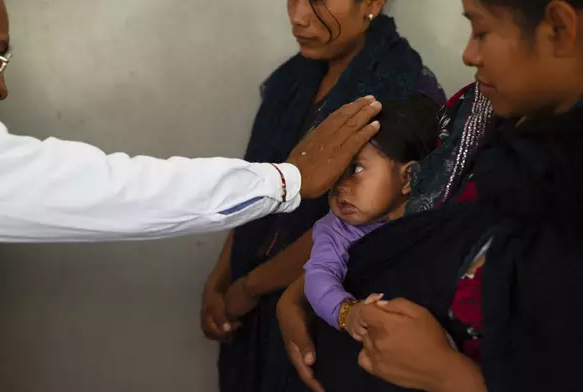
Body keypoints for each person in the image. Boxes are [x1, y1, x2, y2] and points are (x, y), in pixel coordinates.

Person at [0, 0, 383, 390]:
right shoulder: (291, 83)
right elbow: (104, 189)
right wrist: (282, 188)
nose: (2, 87)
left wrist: (259, 286)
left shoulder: (395, 88)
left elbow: (364, 222)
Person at [283, 0, 583, 391]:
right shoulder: (473, 112)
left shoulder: (559, 180)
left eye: (482, 31)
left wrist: (452, 377)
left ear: (559, 29)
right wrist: (303, 294)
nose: (468, 53)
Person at [202, 1, 446, 391]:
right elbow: (261, 183)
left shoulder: (401, 94)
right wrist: (219, 280)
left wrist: (248, 288)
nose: (298, 16)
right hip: (250, 305)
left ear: (371, 3)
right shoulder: (292, 81)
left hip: (324, 317)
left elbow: (353, 226)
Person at [303, 94, 439, 340]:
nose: (339, 185)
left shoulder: (435, 216)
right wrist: (347, 312)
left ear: (407, 177)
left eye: (355, 169)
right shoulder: (335, 229)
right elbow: (318, 275)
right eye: (334, 172)